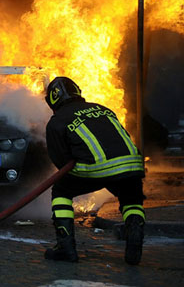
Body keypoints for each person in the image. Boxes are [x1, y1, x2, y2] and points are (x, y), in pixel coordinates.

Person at [43, 76, 146, 264]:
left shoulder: (57, 121)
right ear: (77, 91)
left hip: (97, 167)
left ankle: (66, 249)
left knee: (61, 190)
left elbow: (61, 162)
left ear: (52, 100)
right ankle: (134, 241)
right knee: (131, 196)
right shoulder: (103, 109)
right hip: (131, 164)